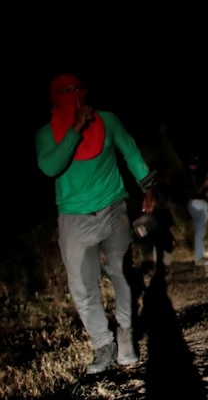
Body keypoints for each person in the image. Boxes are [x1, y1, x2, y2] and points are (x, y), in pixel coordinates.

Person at [35, 73, 150, 374]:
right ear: (53, 98)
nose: (72, 95)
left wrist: (148, 188)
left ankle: (125, 334)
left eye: (77, 90)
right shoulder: (46, 134)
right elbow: (51, 167)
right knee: (83, 287)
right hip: (74, 219)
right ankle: (103, 344)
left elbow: (131, 151)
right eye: (64, 91)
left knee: (121, 272)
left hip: (113, 208)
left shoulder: (108, 121)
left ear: (84, 92)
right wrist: (74, 129)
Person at [185, 155, 208, 266]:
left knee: (201, 231)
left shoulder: (193, 174)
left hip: (197, 203)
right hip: (195, 204)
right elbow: (194, 192)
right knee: (200, 231)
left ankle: (200, 255)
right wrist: (204, 185)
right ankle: (199, 257)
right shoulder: (189, 175)